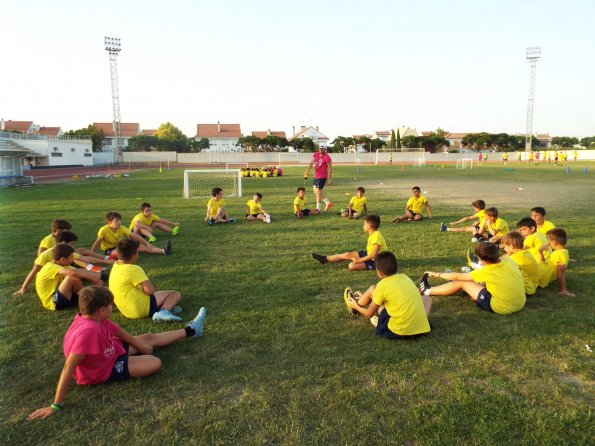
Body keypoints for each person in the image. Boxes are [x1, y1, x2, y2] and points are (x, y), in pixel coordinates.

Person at [27, 286, 206, 420]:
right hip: (103, 368)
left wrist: (141, 346)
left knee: (147, 338)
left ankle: (191, 330)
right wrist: (54, 406)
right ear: (102, 310)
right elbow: (69, 367)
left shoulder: (96, 318)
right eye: (111, 305)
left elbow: (118, 331)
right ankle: (155, 348)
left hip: (109, 351)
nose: (113, 307)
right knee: (154, 363)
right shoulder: (88, 332)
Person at [419, 242, 526, 315]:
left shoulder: (487, 271)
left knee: (462, 283)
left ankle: (428, 290)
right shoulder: (508, 260)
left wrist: (437, 274)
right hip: (520, 302)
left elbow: (458, 277)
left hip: (501, 307)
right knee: (479, 281)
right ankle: (474, 293)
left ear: (483, 260)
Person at [343, 251, 432, 339]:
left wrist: (355, 305)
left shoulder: (382, 286)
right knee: (427, 298)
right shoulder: (405, 277)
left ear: (379, 272)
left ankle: (355, 306)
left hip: (399, 332)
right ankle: (418, 322)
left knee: (373, 290)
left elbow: (369, 313)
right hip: (423, 330)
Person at [13, 231, 113, 297]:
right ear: (64, 243)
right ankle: (90, 293)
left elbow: (84, 258)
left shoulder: (67, 253)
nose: (74, 247)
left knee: (82, 272)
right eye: (72, 244)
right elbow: (34, 271)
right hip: (59, 275)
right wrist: (23, 289)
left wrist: (105, 262)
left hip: (65, 270)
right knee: (75, 275)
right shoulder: (46, 257)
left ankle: (102, 281)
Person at [109, 238, 183, 321]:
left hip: (126, 311)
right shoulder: (134, 269)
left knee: (160, 296)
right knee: (174, 294)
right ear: (134, 256)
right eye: (137, 252)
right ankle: (163, 312)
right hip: (139, 309)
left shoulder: (116, 265)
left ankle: (161, 308)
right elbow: (150, 291)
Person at [35, 244, 103, 311]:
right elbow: (73, 272)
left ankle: (88, 298)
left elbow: (80, 271)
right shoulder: (50, 267)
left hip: (62, 295)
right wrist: (95, 277)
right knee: (72, 278)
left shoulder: (63, 265)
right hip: (53, 301)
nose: (73, 259)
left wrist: (96, 276)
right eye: (71, 257)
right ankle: (84, 299)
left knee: (77, 275)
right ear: (63, 259)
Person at [311, 214, 387, 271]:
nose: (363, 226)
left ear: (370, 226)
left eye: (364, 225)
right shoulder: (373, 234)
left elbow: (374, 255)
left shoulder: (376, 235)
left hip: (376, 262)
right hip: (368, 254)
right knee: (348, 254)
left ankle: (332, 259)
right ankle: (324, 259)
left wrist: (359, 260)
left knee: (351, 266)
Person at [92, 211, 171, 257]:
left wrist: (147, 243)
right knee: (119, 252)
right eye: (117, 220)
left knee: (142, 246)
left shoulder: (121, 228)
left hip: (120, 246)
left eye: (120, 220)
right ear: (109, 222)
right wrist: (91, 253)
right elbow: (97, 243)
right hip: (109, 250)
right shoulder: (103, 230)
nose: (120, 222)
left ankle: (164, 251)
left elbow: (134, 235)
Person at [538, 228, 574, 297]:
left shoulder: (560, 254)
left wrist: (563, 290)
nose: (548, 243)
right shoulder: (561, 252)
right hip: (539, 274)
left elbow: (560, 273)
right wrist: (540, 252)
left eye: (549, 241)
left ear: (554, 242)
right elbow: (545, 262)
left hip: (539, 278)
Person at [501, 232, 539, 296]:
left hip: (525, 290)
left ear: (511, 246)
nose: (504, 249)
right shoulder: (526, 252)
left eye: (505, 246)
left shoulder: (514, 258)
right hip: (533, 286)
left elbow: (500, 264)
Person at [304, 145, 333, 211]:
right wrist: (307, 171)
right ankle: (328, 202)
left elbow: (330, 169)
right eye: (320, 149)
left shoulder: (327, 157)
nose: (321, 150)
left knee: (318, 191)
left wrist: (329, 179)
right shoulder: (316, 154)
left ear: (325, 150)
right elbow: (311, 163)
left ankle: (318, 208)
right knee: (315, 191)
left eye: (323, 149)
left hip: (322, 176)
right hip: (316, 175)